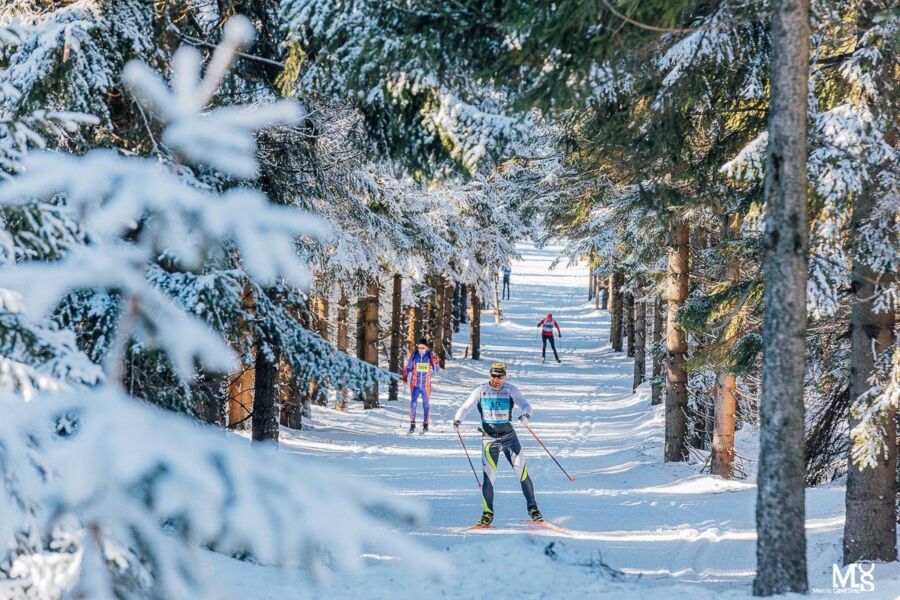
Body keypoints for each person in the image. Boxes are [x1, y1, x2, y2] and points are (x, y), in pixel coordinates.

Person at [453, 362, 543, 526]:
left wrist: (525, 415)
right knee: (488, 478)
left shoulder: (510, 389)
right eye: (493, 376)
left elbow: (526, 405)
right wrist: (458, 419)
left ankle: (533, 509)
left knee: (522, 473)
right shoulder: (481, 390)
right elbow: (466, 407)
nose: (496, 380)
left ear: (505, 377)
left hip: (510, 438)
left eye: (500, 377)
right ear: (489, 376)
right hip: (489, 439)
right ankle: (487, 513)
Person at [402, 338, 440, 433]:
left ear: (426, 347)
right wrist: (406, 378)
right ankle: (412, 424)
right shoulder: (414, 355)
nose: (421, 349)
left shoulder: (429, 356)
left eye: (423, 347)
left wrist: (436, 362)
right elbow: (408, 368)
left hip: (426, 385)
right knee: (413, 404)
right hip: (415, 384)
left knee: (426, 405)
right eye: (419, 347)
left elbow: (436, 370)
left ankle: (425, 424)